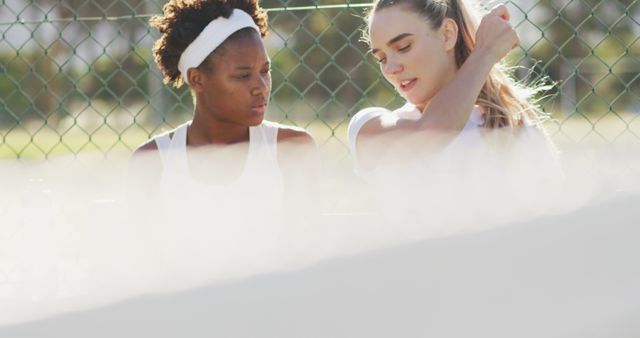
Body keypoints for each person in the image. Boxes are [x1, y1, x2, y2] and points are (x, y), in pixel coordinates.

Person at [347, 0, 558, 173]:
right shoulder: (368, 127)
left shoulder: (516, 129)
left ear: (447, 34)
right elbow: (430, 134)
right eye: (381, 58)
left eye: (403, 47)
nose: (391, 68)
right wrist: (485, 53)